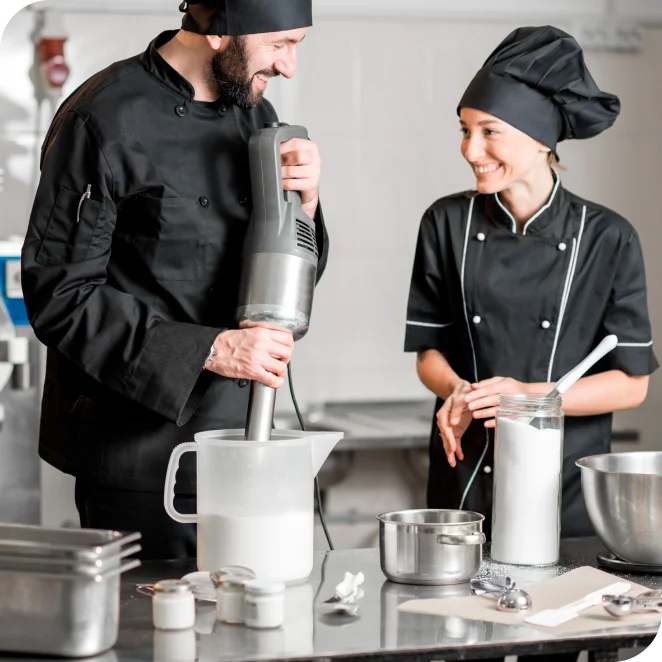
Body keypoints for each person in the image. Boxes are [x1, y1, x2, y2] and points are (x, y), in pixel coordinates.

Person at [21, 0, 328, 560]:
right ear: (218, 34)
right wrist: (212, 348)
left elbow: (282, 271)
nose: (289, 67)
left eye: (296, 45)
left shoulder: (255, 115)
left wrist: (305, 204)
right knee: (155, 639)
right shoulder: (103, 119)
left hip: (241, 441)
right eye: (281, 44)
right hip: (138, 459)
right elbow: (59, 295)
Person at [405, 25, 657, 541]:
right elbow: (428, 352)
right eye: (464, 129)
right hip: (465, 479)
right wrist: (457, 392)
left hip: (564, 486)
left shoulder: (609, 237)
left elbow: (632, 385)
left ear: (541, 139)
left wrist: (527, 398)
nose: (471, 150)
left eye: (489, 131)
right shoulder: (445, 223)